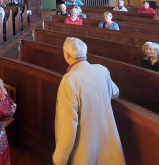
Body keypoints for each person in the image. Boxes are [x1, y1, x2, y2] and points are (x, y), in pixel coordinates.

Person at [53, 37, 125, 165]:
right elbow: (115, 92)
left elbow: (67, 126)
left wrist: (60, 158)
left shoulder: (69, 80)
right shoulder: (102, 69)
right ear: (85, 53)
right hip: (107, 139)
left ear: (66, 55)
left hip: (85, 146)